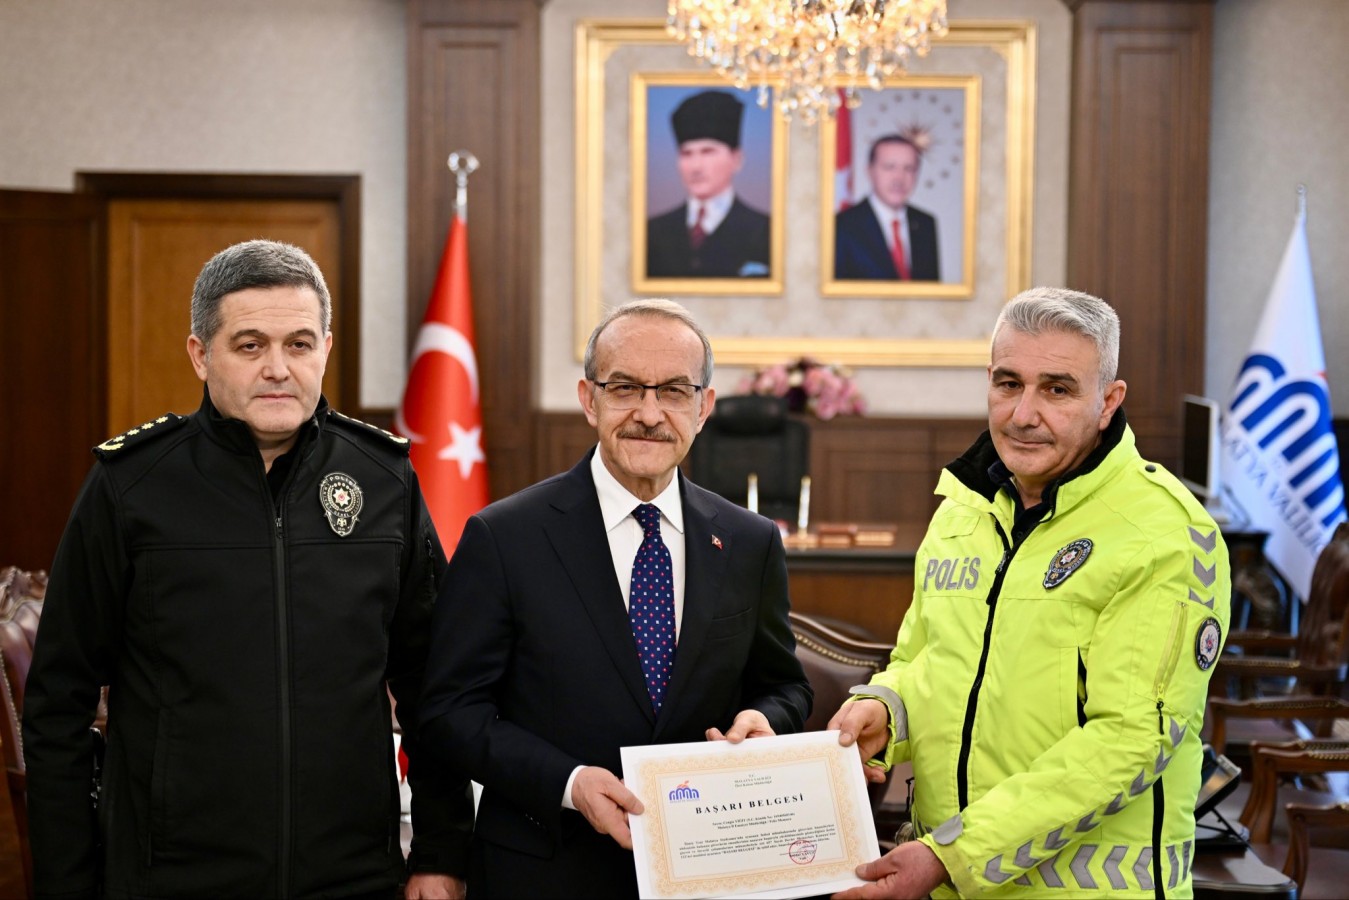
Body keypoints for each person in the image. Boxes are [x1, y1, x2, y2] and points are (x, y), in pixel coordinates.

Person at [22, 240, 472, 899]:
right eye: (250, 345)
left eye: (298, 344)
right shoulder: (131, 486)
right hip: (173, 878)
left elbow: (433, 685)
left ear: (325, 348)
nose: (277, 369)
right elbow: (57, 701)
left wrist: (441, 852)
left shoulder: (384, 480)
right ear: (201, 355)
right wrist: (67, 882)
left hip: (352, 875)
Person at [829, 287, 1230, 899]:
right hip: (944, 878)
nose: (1023, 414)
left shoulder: (1165, 534)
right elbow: (923, 661)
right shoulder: (963, 510)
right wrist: (883, 709)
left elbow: (1127, 742)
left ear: (1108, 401)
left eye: (1057, 389)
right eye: (1008, 383)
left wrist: (954, 854)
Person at [417, 298, 812, 897]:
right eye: (625, 387)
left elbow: (785, 687)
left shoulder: (749, 541)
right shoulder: (505, 537)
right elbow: (450, 710)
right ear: (589, 399)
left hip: (706, 873)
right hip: (546, 872)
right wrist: (569, 783)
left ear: (704, 407)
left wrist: (766, 719)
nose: (649, 414)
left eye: (674, 391)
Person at [646, 90, 772, 279]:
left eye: (708, 152)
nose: (696, 167)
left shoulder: (765, 231)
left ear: (736, 159)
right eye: (686, 153)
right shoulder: (652, 232)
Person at [834, 134, 940, 281]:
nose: (899, 178)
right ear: (870, 171)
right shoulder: (842, 226)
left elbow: (932, 290)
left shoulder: (925, 223)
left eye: (909, 168)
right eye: (889, 167)